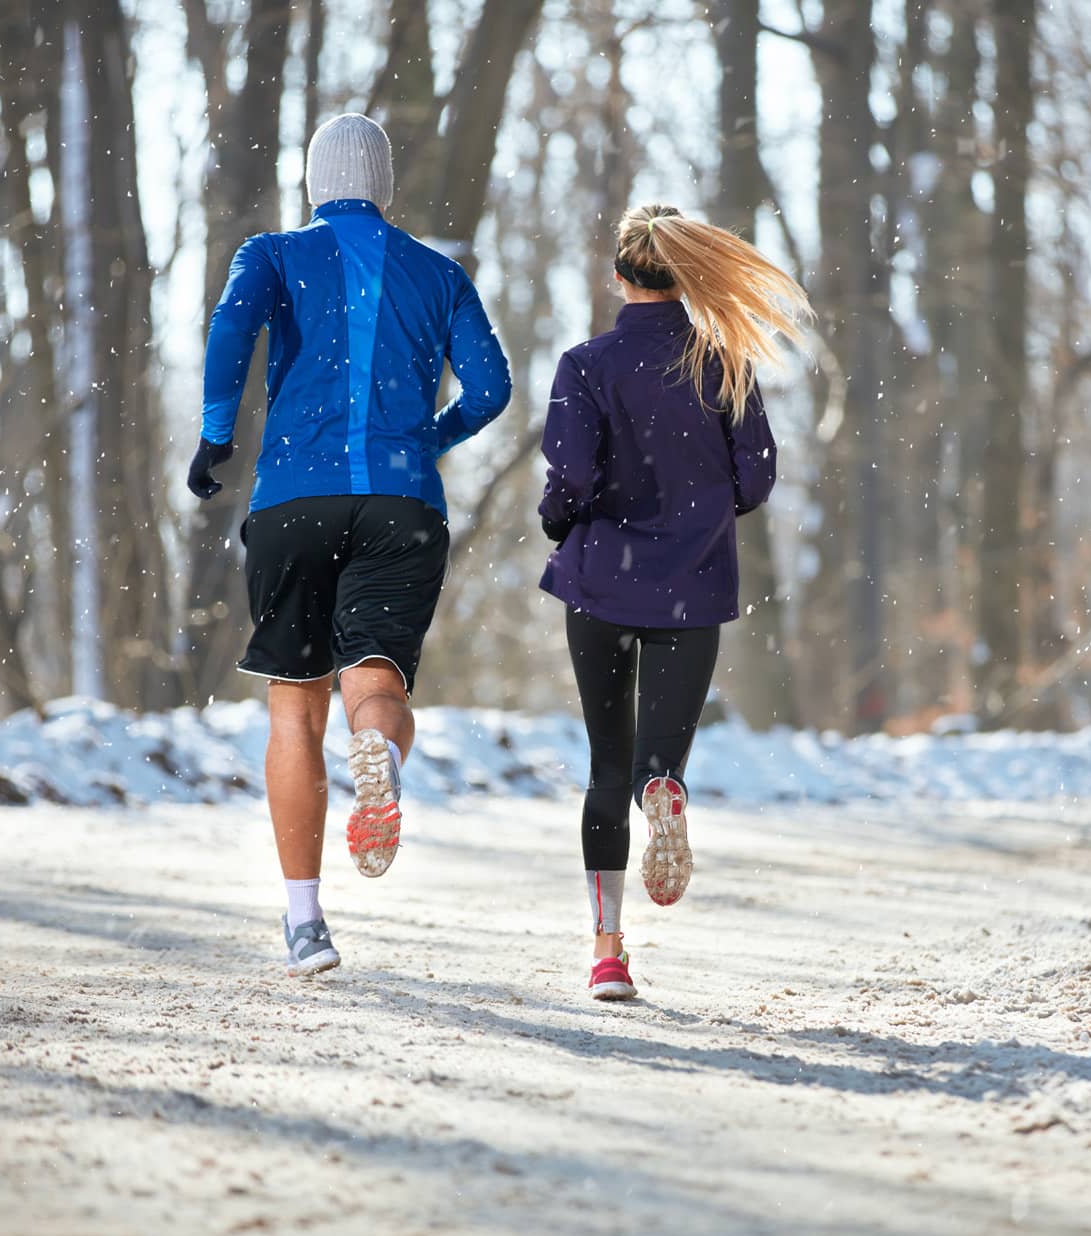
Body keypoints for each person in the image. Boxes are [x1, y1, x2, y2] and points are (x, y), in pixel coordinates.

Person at [190, 113, 512, 977]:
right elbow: (491, 388)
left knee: (296, 710)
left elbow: (230, 331)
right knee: (375, 680)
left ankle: (305, 924)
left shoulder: (271, 254)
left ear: (313, 183)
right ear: (385, 186)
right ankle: (380, 754)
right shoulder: (438, 272)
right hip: (401, 506)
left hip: (294, 501)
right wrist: (424, 440)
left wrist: (217, 434)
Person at [538, 204, 812, 1001]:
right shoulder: (723, 362)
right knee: (655, 762)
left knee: (604, 765)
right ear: (686, 275)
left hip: (599, 582)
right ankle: (663, 792)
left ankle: (606, 952)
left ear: (617, 276)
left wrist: (558, 516)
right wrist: (701, 510)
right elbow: (755, 476)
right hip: (690, 586)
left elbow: (572, 478)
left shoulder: (585, 364)